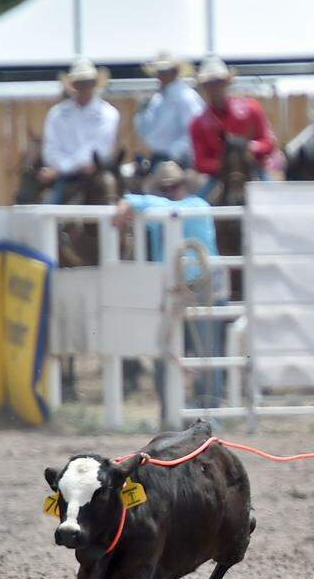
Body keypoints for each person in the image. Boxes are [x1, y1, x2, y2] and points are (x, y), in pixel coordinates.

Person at [112, 161, 227, 415]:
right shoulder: (172, 208)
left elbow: (171, 209)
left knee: (199, 352)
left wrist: (131, 201)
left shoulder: (186, 207)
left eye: (172, 187)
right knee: (185, 351)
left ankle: (197, 411)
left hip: (197, 286)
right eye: (166, 188)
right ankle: (185, 411)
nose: (170, 192)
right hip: (185, 286)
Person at [189, 57, 276, 198]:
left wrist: (249, 151)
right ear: (203, 87)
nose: (215, 87)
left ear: (227, 82)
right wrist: (226, 165)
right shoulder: (198, 123)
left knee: (275, 201)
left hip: (254, 169)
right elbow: (200, 161)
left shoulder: (251, 109)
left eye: (219, 82)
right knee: (197, 205)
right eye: (210, 83)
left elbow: (268, 142)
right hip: (218, 177)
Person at [41, 59, 120, 204]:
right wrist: (67, 168)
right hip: (64, 177)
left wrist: (61, 169)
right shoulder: (57, 114)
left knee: (118, 198)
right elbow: (50, 150)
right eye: (80, 83)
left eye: (88, 82)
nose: (84, 87)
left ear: (94, 84)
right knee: (48, 210)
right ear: (73, 85)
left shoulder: (108, 113)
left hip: (97, 174)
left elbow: (100, 150)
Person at [134, 51, 204, 168]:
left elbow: (194, 131)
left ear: (176, 72)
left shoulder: (186, 97)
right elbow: (145, 131)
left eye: (166, 71)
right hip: (154, 157)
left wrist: (174, 155)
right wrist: (140, 113)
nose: (162, 75)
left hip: (178, 160)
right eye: (160, 71)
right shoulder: (157, 98)